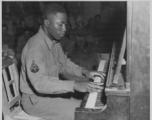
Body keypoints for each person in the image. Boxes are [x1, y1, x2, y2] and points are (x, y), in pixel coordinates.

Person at [20, 3, 105, 120]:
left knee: (90, 108)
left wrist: (84, 71)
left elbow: (64, 64)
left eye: (65, 24)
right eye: (60, 25)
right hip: (35, 101)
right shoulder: (35, 48)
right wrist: (75, 85)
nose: (64, 29)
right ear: (47, 23)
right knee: (85, 115)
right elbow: (39, 83)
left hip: (49, 94)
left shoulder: (54, 41)